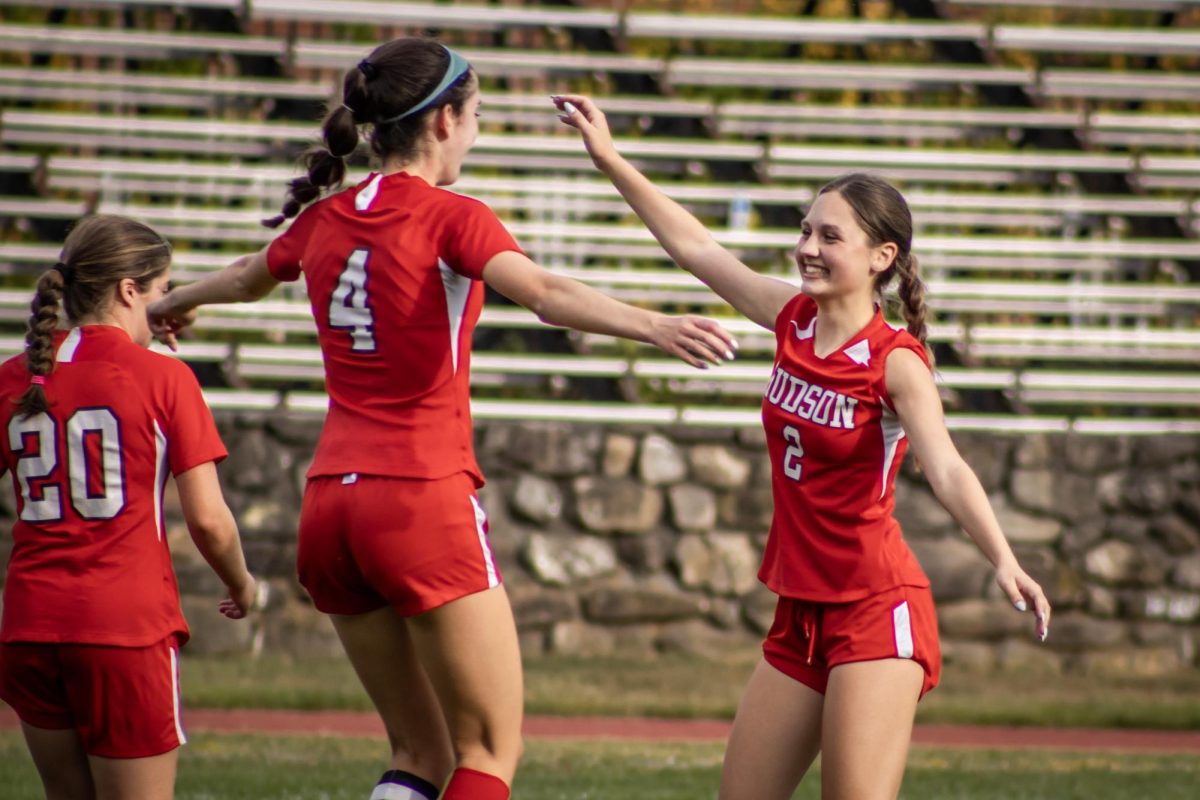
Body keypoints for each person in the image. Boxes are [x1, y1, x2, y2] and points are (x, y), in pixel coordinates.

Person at [146, 37, 736, 800]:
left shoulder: (326, 219)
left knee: (415, 754)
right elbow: (547, 295)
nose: (478, 130)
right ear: (444, 120)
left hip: (329, 508)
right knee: (489, 750)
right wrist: (657, 325)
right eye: (478, 114)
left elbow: (244, 277)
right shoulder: (451, 216)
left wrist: (169, 301)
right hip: (419, 495)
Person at [554, 94, 1053, 800]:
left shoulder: (895, 361)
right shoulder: (791, 318)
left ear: (883, 257)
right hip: (802, 611)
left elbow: (945, 465)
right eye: (805, 231)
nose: (807, 248)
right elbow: (698, 248)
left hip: (876, 608)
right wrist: (610, 159)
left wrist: (1003, 559)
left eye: (829, 237)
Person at [0, 214, 258, 800]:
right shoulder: (165, 379)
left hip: (29, 627)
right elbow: (210, 522)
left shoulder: (15, 375)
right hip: (123, 628)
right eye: (162, 291)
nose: (166, 308)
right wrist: (243, 586)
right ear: (128, 290)